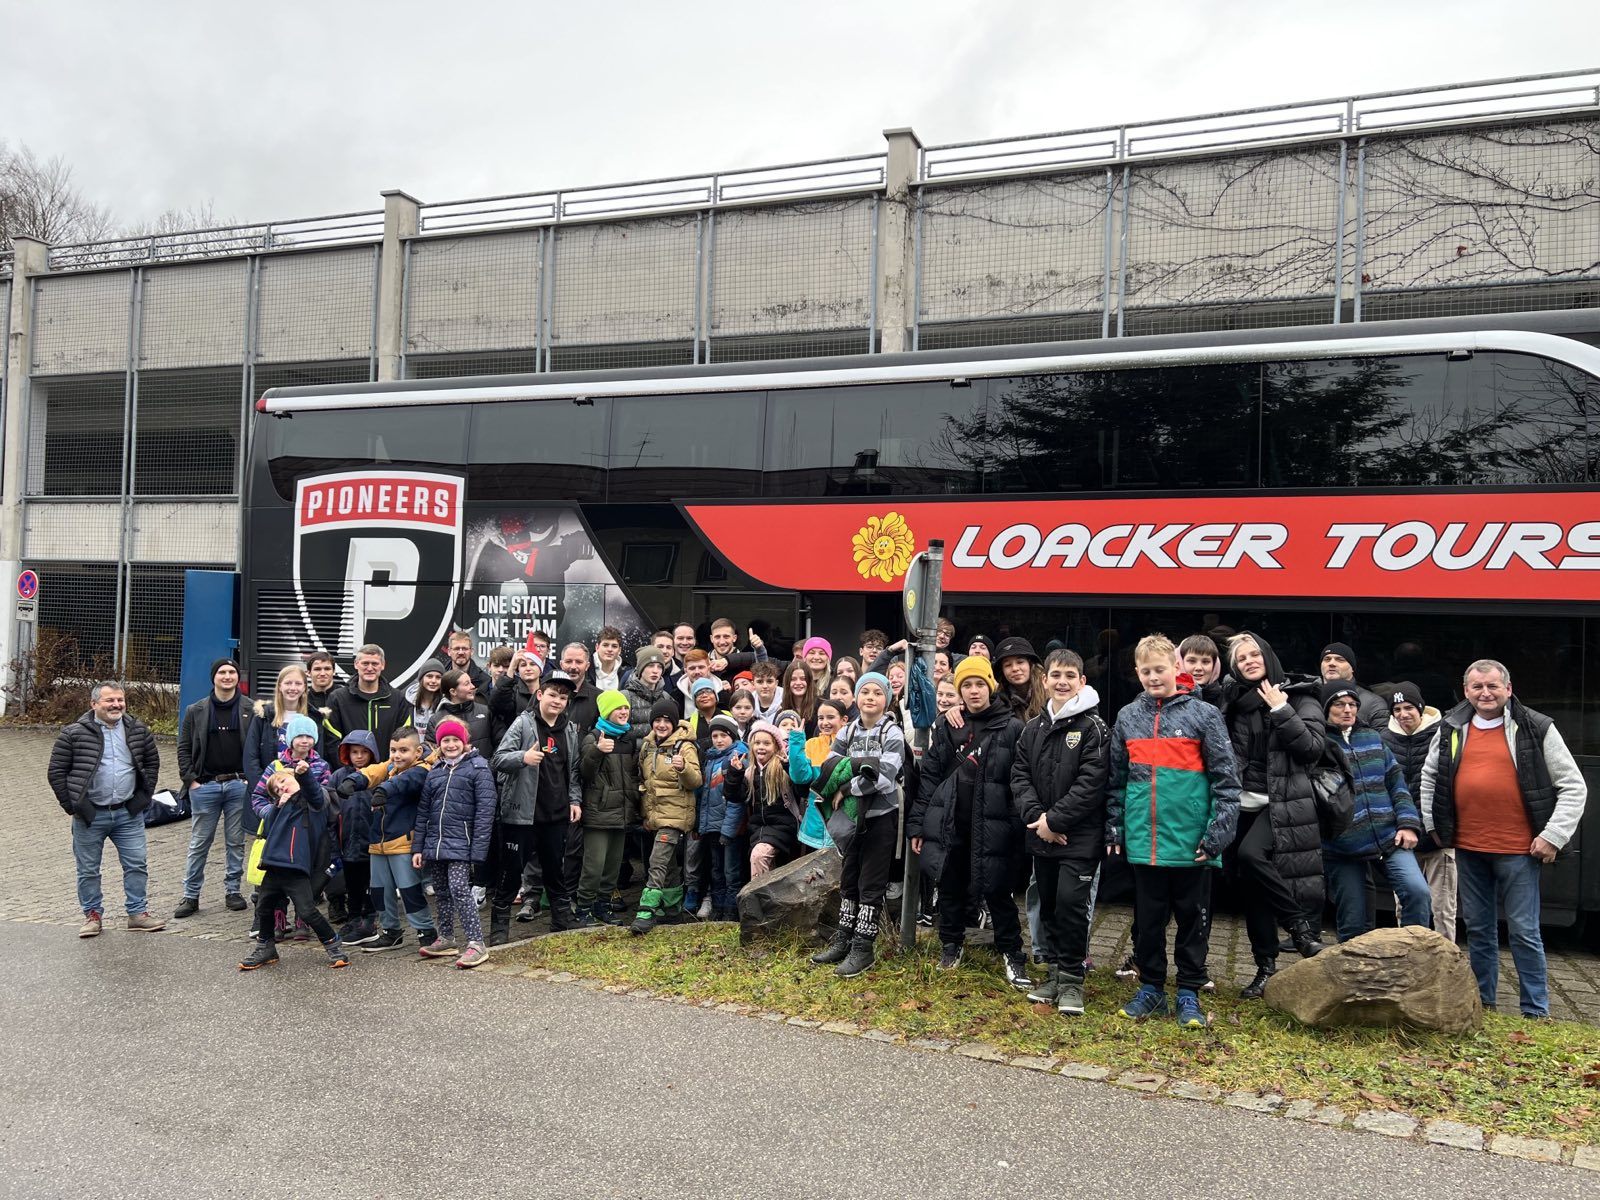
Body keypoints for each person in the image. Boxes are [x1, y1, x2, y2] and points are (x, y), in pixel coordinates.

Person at [1420, 659, 1587, 1018]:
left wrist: (1552, 836)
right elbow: (1430, 777)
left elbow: (1574, 786)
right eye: (1477, 687)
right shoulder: (1450, 727)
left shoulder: (1535, 727)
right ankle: (1484, 1004)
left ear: (1508, 689)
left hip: (1519, 850)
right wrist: (1433, 825)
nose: (1485, 693)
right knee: (1478, 930)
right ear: (1466, 691)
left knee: (1525, 931)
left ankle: (1535, 1011)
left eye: (1493, 686)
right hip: (1468, 846)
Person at [1107, 634, 1239, 1028]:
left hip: (1193, 843)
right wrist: (1115, 828)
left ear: (1176, 669)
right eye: (1145, 671)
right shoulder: (1128, 717)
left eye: (1160, 669)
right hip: (1145, 842)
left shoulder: (1204, 715)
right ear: (1137, 673)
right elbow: (1116, 780)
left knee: (1192, 920)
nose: (1153, 677)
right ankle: (1150, 989)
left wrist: (1218, 834)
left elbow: (1226, 781)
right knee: (1148, 920)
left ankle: (1188, 993)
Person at [1216, 632, 1328, 998]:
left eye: (1254, 654)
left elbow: (1312, 749)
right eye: (1241, 658)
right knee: (1251, 892)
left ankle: (1299, 928)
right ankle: (1265, 969)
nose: (1249, 661)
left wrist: (1282, 709)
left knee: (1251, 855)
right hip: (1239, 803)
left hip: (1281, 803)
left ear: (1267, 654)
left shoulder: (1300, 694)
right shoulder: (1231, 700)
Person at [909, 656, 1029, 988]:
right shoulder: (948, 725)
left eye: (979, 684)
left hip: (993, 827)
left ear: (990, 686)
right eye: (966, 685)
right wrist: (918, 824)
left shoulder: (1012, 727)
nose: (974, 691)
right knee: (949, 888)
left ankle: (1013, 955)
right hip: (952, 823)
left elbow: (1019, 781)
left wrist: (1017, 828)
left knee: (998, 893)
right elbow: (930, 777)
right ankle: (951, 945)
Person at [1011, 648, 1107, 1016]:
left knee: (1071, 905)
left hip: (1078, 839)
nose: (1062, 681)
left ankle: (1071, 981)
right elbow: (1019, 777)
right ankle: (1052, 973)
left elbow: (1091, 784)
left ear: (1082, 681)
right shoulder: (1033, 729)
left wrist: (1056, 821)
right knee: (1047, 904)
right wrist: (1039, 819)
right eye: (1055, 675)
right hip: (1042, 834)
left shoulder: (1094, 729)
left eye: (1070, 675)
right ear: (1044, 680)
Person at [50, 682, 167, 937]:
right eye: (109, 701)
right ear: (94, 704)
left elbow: (152, 762)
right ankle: (92, 916)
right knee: (88, 869)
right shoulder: (73, 733)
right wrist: (73, 806)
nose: (116, 705)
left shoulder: (137, 729)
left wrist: (143, 798)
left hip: (128, 813)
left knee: (136, 864)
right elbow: (56, 772)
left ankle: (137, 913)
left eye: (120, 700)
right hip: (90, 816)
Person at [1319, 681, 1431, 941]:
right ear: (1326, 708)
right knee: (1353, 924)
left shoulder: (1372, 737)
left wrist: (1407, 824)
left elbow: (1396, 783)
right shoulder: (1319, 743)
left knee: (1417, 892)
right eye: (1339, 704)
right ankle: (1354, 977)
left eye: (1353, 705)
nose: (1348, 710)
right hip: (1342, 847)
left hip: (1389, 837)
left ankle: (1416, 956)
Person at [811, 673, 905, 979]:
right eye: (865, 691)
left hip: (881, 816)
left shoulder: (892, 732)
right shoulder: (847, 730)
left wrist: (847, 787)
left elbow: (884, 775)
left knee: (871, 882)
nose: (870, 697)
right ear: (856, 697)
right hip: (852, 818)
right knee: (850, 877)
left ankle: (864, 947)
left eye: (878, 692)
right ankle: (844, 938)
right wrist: (857, 768)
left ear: (887, 699)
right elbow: (831, 767)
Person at [490, 671, 584, 942]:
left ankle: (561, 923)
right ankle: (499, 931)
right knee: (510, 875)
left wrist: (574, 800)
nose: (557, 701)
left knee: (556, 871)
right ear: (540, 695)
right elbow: (498, 760)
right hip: (521, 816)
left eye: (563, 697)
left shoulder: (569, 730)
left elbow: (574, 770)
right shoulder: (523, 724)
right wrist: (523, 757)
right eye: (553, 695)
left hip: (555, 815)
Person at [239, 767, 348, 971]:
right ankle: (265, 947)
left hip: (296, 867)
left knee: (307, 911)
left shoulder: (312, 801)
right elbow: (269, 825)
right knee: (263, 907)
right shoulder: (279, 808)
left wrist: (304, 775)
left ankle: (333, 944)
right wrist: (278, 807)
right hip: (274, 865)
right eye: (277, 790)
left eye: (283, 781)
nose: (282, 788)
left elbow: (315, 793)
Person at [413, 719, 498, 968]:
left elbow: (485, 811)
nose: (450, 745)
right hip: (436, 844)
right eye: (445, 741)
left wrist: (478, 850)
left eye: (455, 740)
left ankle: (476, 943)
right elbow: (424, 811)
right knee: (441, 892)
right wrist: (418, 847)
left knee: (460, 889)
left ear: (465, 742)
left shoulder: (479, 768)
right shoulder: (436, 771)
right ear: (439, 745)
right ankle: (447, 937)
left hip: (463, 843)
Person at [348, 729, 439, 953]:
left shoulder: (421, 770)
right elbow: (373, 771)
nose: (397, 756)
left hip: (402, 842)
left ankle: (426, 932)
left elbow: (404, 782)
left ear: (417, 751)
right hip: (378, 841)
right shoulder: (391, 767)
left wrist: (383, 790)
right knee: (379, 890)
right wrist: (354, 780)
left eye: (403, 751)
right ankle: (391, 932)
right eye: (393, 750)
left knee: (409, 890)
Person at [176, 657, 254, 918]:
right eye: (222, 672)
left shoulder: (251, 709)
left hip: (237, 786)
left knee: (235, 842)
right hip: (205, 787)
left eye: (232, 672)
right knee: (199, 843)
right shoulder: (195, 710)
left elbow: (255, 748)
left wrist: (248, 779)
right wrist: (191, 781)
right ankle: (191, 896)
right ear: (214, 677)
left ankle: (233, 892)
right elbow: (184, 747)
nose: (227, 676)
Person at [247, 713, 334, 943]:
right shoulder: (276, 766)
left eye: (309, 736)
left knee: (303, 879)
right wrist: (273, 812)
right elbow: (258, 797)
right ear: (290, 739)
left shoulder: (322, 766)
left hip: (307, 833)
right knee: (275, 881)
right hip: (280, 833)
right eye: (299, 736)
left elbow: (326, 798)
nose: (304, 741)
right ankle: (278, 920)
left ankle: (302, 920)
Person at [1381, 681, 1456, 941]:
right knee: (1405, 904)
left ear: (1421, 708)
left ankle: (1447, 965)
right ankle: (1408, 956)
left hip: (1438, 837)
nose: (1403, 714)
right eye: (1397, 709)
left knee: (1443, 908)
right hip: (1403, 836)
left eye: (1409, 707)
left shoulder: (1444, 734)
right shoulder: (1384, 738)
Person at [633, 699, 703, 934]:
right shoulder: (647, 746)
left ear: (674, 722)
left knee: (657, 861)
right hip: (655, 815)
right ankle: (673, 911)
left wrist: (683, 768)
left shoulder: (684, 747)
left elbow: (696, 781)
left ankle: (646, 910)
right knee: (669, 865)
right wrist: (645, 814)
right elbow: (645, 783)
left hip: (675, 816)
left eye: (666, 721)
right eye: (657, 720)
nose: (662, 725)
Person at [575, 691, 642, 926]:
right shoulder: (593, 737)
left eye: (625, 708)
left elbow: (632, 774)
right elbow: (584, 773)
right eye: (618, 708)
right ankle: (583, 909)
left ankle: (603, 906)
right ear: (606, 712)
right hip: (599, 812)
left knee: (612, 867)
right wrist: (597, 751)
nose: (623, 712)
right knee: (593, 866)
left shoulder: (628, 738)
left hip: (622, 812)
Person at [689, 714, 745, 922]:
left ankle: (731, 911)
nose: (719, 740)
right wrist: (700, 825)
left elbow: (735, 799)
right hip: (711, 827)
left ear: (732, 736)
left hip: (729, 828)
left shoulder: (738, 757)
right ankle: (718, 909)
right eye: (715, 735)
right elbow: (703, 797)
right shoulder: (711, 758)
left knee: (732, 872)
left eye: (724, 735)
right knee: (716, 870)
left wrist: (728, 830)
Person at [322, 643, 415, 763]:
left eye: (375, 663)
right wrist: (347, 771)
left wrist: (391, 770)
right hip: (350, 775)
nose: (370, 668)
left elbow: (404, 739)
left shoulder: (397, 699)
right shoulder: (338, 698)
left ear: (383, 665)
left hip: (387, 775)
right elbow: (332, 741)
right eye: (365, 663)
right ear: (356, 664)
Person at [329, 730, 380, 946]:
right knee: (352, 884)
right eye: (354, 752)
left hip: (371, 842)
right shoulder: (339, 776)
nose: (359, 756)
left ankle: (369, 919)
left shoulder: (377, 776)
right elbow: (331, 810)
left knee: (372, 882)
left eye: (363, 752)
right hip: (347, 842)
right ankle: (354, 917)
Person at [746, 719, 804, 881]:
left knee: (759, 856)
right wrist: (734, 776)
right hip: (759, 829)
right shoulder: (750, 772)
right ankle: (768, 904)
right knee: (767, 868)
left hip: (783, 827)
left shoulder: (782, 769)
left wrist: (788, 767)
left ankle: (759, 902)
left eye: (767, 743)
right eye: (757, 743)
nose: (761, 747)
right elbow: (736, 797)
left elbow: (801, 789)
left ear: (777, 747)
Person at [247, 663, 310, 795]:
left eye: (298, 683)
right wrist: (265, 789)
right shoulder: (263, 715)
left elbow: (317, 757)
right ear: (280, 686)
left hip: (301, 790)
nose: (293, 688)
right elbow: (251, 757)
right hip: (268, 789)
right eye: (288, 683)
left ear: (304, 687)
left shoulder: (313, 718)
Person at [1318, 642, 1389, 729]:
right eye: (1327, 659)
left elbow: (1382, 740)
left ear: (1352, 668)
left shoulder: (1373, 703)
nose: (1331, 663)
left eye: (1340, 659)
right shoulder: (1308, 696)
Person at [434, 669, 493, 757]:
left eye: (471, 682)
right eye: (467, 684)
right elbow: (432, 751)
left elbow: (500, 743)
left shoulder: (486, 712)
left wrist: (488, 767)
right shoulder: (436, 720)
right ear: (453, 692)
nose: (473, 686)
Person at [624, 647, 674, 741]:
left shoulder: (666, 698)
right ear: (640, 668)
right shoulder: (625, 697)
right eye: (650, 665)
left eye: (659, 666)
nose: (655, 670)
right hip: (632, 754)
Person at [994, 637, 1046, 721]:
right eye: (1008, 665)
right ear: (1002, 671)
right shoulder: (997, 702)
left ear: (1031, 664)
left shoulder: (1051, 692)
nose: (1015, 668)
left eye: (1020, 662)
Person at [305, 651, 342, 759]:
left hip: (340, 760)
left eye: (327, 669)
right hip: (311, 761)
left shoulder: (345, 696)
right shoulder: (302, 700)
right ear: (308, 672)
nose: (322, 673)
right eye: (317, 669)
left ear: (334, 671)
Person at [406, 659, 446, 746]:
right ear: (421, 678)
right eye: (429, 676)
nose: (433, 681)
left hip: (436, 754)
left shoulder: (445, 705)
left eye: (438, 677)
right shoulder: (407, 702)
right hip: (411, 753)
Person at [446, 629, 492, 696]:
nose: (461, 652)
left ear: (472, 651)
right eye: (456, 649)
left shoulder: (485, 681)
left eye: (465, 648)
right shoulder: (440, 678)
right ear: (449, 652)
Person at [590, 625, 629, 692]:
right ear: (597, 647)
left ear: (619, 650)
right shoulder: (586, 668)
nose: (610, 649)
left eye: (614, 646)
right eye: (605, 645)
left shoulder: (627, 674)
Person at [783, 660, 818, 734]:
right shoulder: (781, 710)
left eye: (803, 679)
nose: (798, 683)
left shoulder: (821, 707)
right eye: (793, 679)